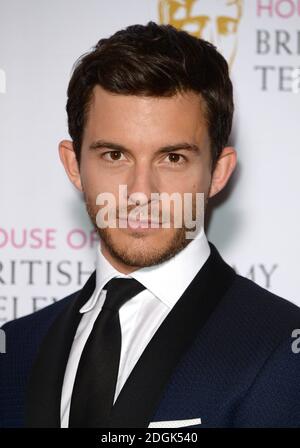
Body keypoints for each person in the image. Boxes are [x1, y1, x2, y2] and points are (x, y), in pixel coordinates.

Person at [1, 21, 300, 429]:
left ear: (218, 171)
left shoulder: (280, 346)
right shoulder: (15, 347)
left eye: (173, 158)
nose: (141, 192)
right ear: (74, 165)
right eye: (114, 155)